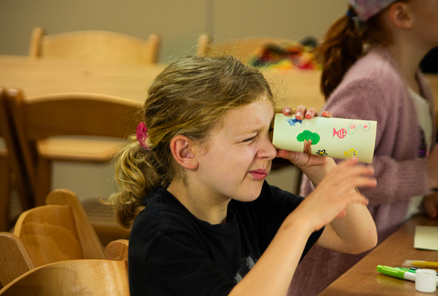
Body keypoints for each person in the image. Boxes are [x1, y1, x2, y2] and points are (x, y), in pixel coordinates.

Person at [109, 55, 377, 296]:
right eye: (249, 138)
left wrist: (320, 168)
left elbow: (358, 239)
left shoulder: (248, 202)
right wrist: (299, 223)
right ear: (186, 151)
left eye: (267, 133)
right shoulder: (162, 235)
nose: (270, 151)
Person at [288, 1, 438, 295]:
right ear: (402, 15)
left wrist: (422, 196)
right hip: (342, 278)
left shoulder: (418, 84)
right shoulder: (372, 84)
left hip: (386, 257)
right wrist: (425, 175)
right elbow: (333, 174)